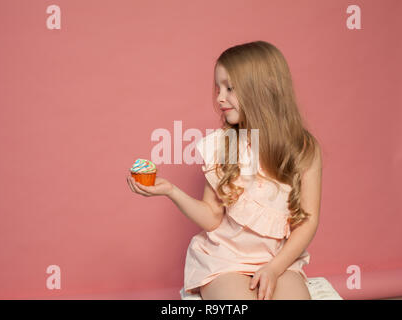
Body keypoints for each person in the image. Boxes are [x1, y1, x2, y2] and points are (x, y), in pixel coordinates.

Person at [126, 40, 322, 300]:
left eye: (229, 88)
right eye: (218, 88)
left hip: (278, 259)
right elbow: (212, 218)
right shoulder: (226, 145)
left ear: (261, 90)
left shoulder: (303, 148)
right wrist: (171, 191)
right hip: (226, 261)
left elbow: (307, 222)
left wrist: (274, 268)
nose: (219, 97)